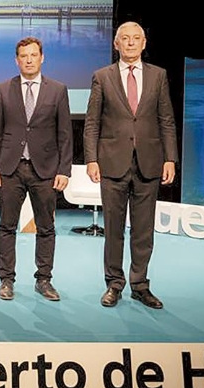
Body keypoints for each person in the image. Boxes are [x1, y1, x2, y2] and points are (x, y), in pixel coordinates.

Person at [83, 21, 178, 309]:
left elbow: (166, 120)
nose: (131, 43)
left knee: (143, 230)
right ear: (116, 44)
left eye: (136, 38)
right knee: (113, 230)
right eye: (125, 39)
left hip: (149, 163)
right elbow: (92, 122)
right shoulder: (102, 77)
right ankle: (114, 284)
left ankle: (140, 284)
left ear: (144, 43)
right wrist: (91, 159)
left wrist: (170, 158)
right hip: (112, 163)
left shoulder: (159, 76)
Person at [0, 36, 73, 301]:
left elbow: (65, 133)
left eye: (33, 55)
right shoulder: (3, 89)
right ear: (17, 60)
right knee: (6, 226)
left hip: (45, 170)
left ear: (42, 57)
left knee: (46, 227)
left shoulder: (57, 90)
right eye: (24, 56)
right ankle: (6, 280)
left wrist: (64, 170)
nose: (29, 60)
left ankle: (44, 279)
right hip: (10, 169)